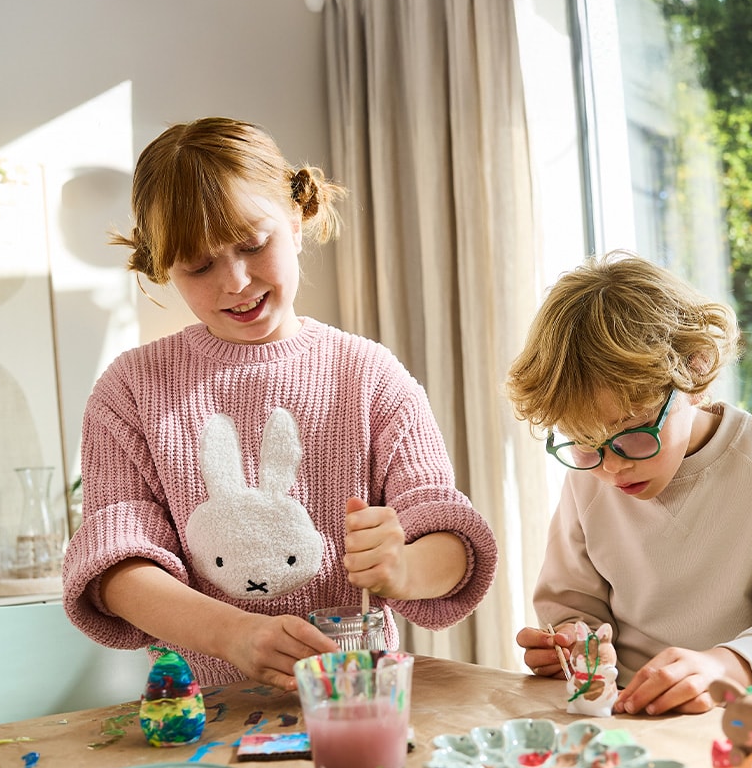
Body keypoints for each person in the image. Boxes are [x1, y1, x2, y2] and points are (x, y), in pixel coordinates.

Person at [62, 116, 497, 691]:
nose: (236, 281)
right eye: (198, 265)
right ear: (162, 264)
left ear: (296, 216)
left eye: (252, 243)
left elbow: (450, 538)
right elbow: (116, 567)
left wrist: (407, 566)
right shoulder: (131, 391)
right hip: (202, 716)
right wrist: (232, 634)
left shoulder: (369, 376)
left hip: (357, 701)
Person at [507, 253, 752, 722]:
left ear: (695, 373)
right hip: (631, 723)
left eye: (632, 431)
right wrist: (572, 645)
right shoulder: (587, 478)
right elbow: (572, 608)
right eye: (587, 443)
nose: (610, 468)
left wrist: (724, 666)